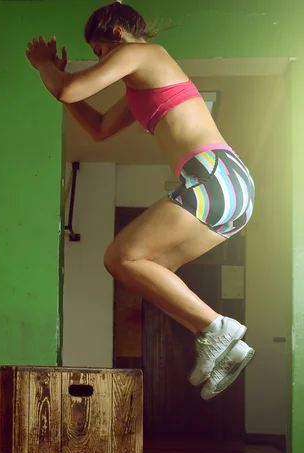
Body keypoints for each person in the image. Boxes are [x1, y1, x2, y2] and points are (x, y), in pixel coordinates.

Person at [25, 0, 256, 400]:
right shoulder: (140, 85)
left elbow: (67, 90)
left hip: (213, 176)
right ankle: (217, 337)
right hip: (228, 187)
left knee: (120, 257)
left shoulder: (142, 53)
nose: (101, 62)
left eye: (99, 53)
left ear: (116, 35)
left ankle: (218, 330)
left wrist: (46, 67)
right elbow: (97, 128)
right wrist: (59, 79)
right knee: (146, 270)